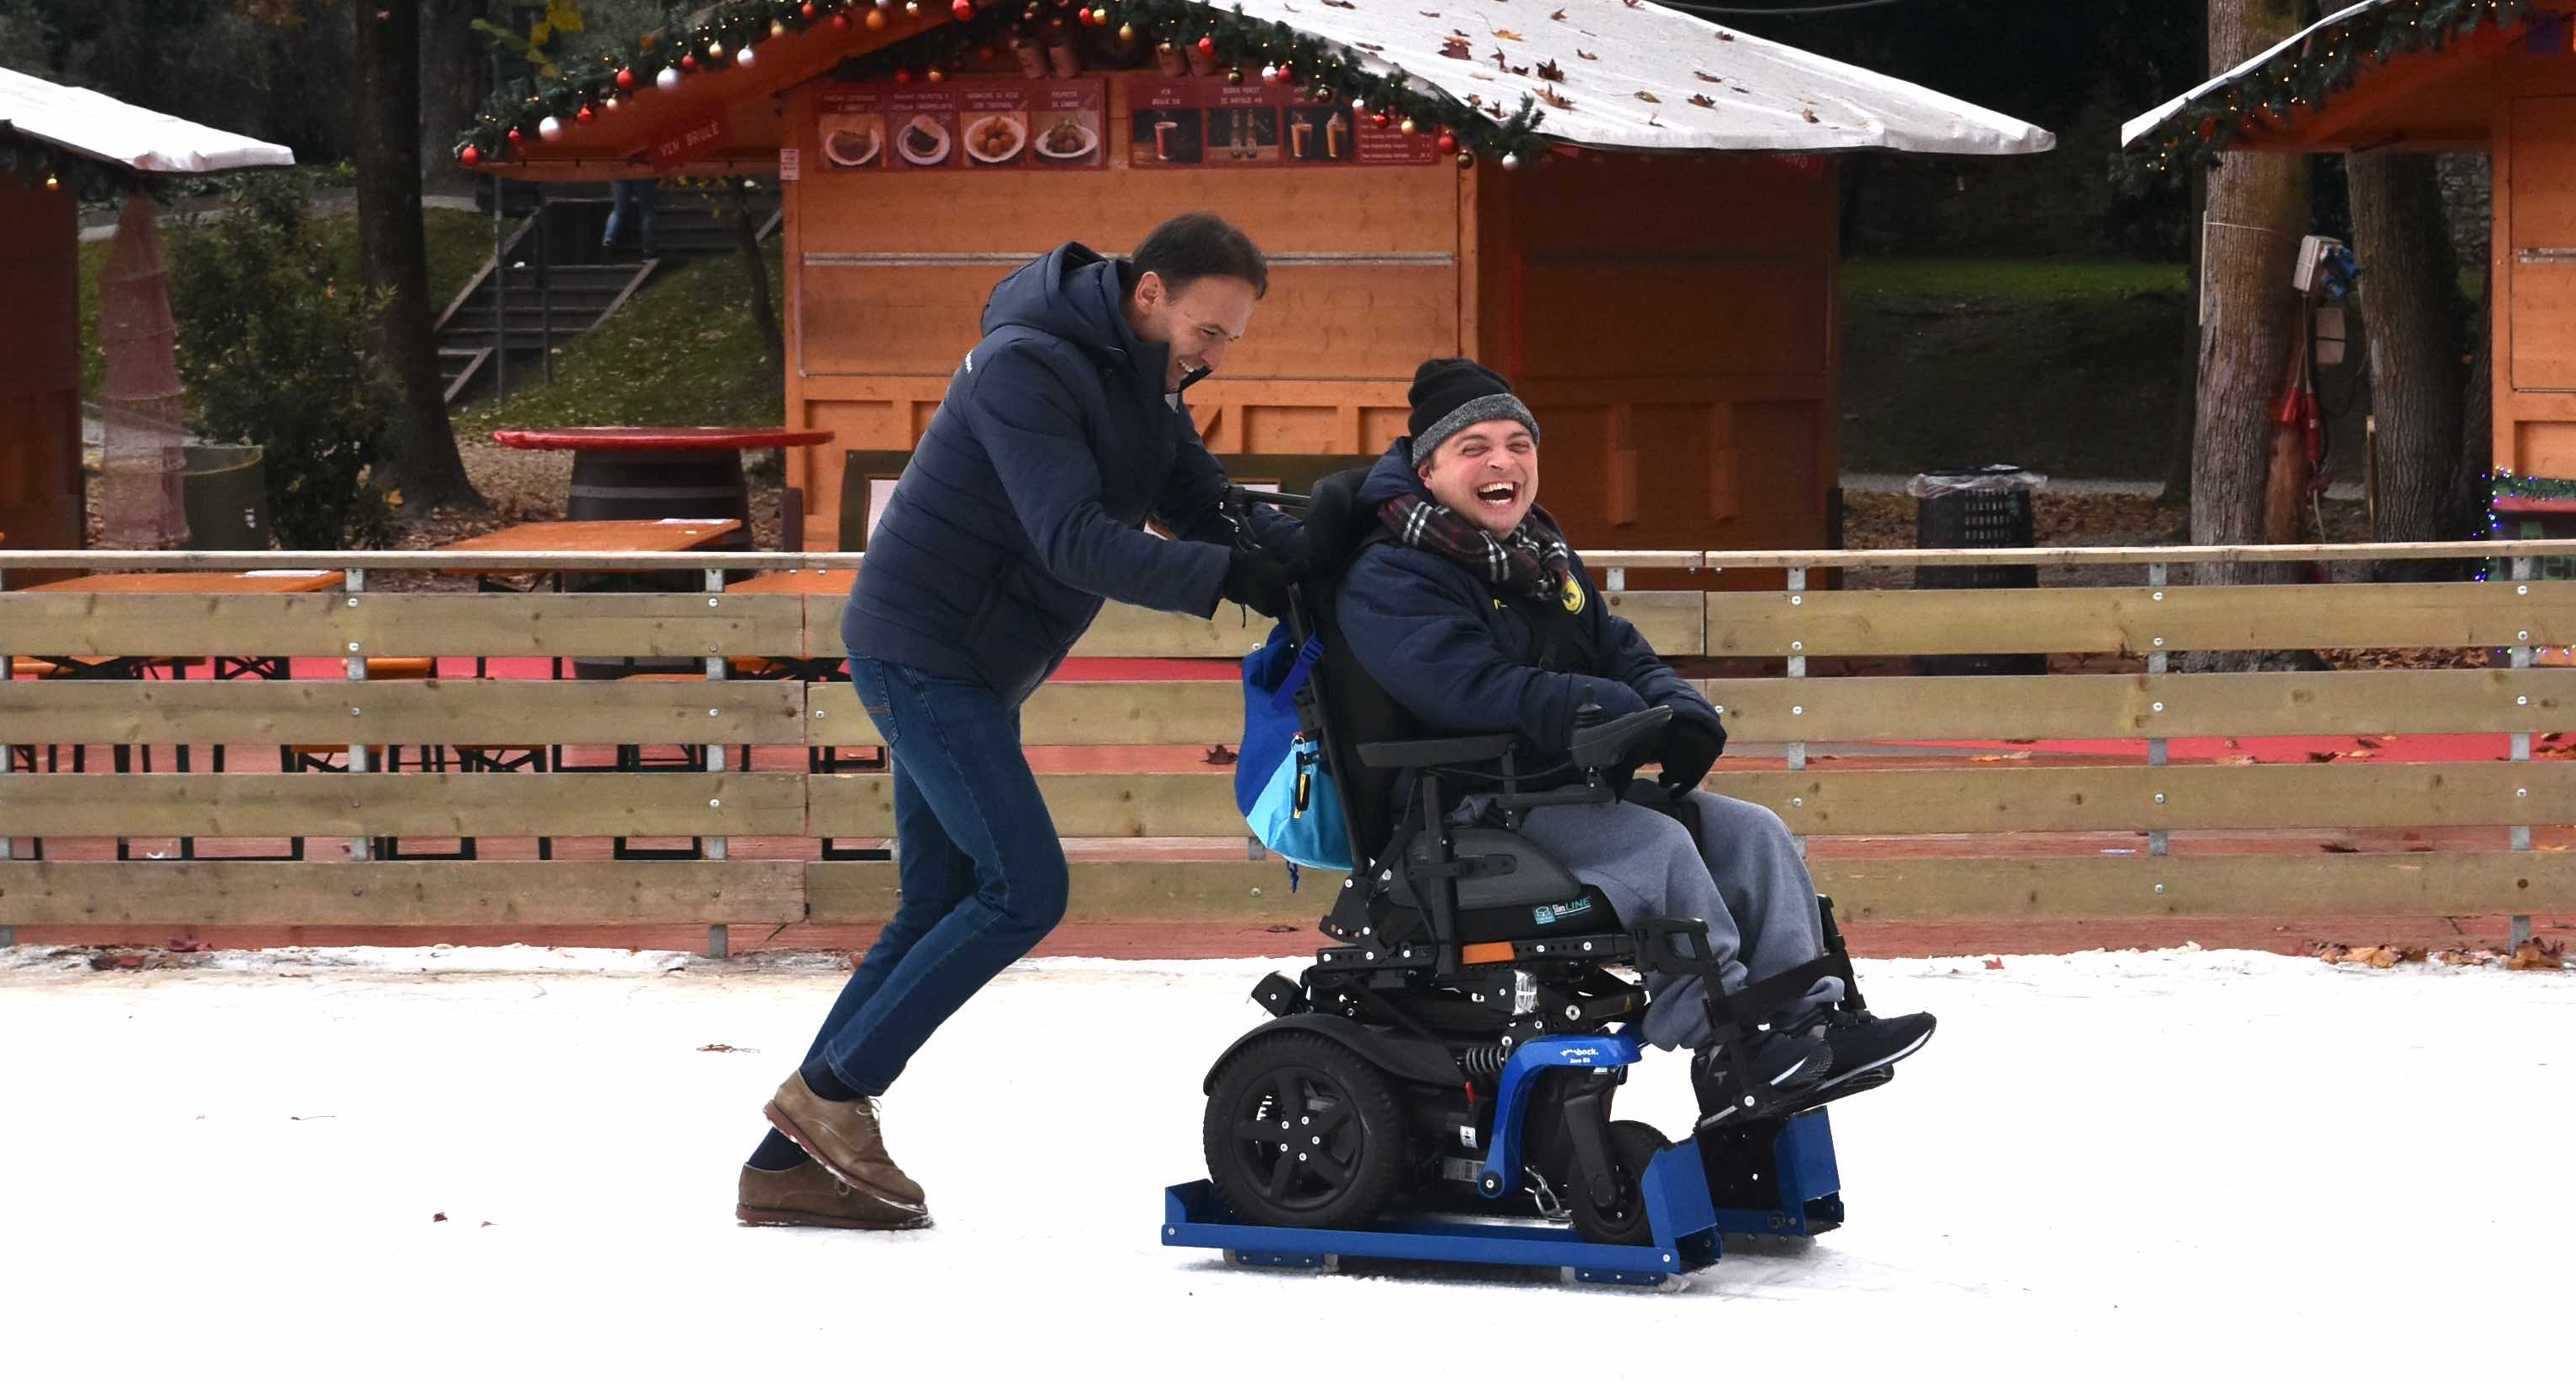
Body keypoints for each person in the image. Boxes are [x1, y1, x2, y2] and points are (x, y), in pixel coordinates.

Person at [740, 214, 1302, 1231]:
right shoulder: (1026, 367)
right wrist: (1234, 577)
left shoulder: (1143, 383)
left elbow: (1205, 502)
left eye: (1231, 340)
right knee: (1023, 888)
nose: (1216, 356)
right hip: (923, 650)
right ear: (1148, 294)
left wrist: (1330, 539)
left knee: (936, 900)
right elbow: (1073, 539)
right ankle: (829, 1100)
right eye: (1209, 332)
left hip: (979, 662)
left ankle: (783, 1162)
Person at [1333, 357, 1933, 1113]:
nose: (1503, 462)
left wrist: (1677, 710)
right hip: (1459, 812)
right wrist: (1600, 708)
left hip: (1558, 794)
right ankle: (1731, 1042)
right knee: (1658, 849)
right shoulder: (1392, 574)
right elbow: (1464, 689)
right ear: (1428, 471)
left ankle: (1807, 1020)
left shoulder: (1539, 559)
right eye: (1475, 446)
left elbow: (1618, 647)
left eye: (1519, 444)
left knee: (1752, 831)